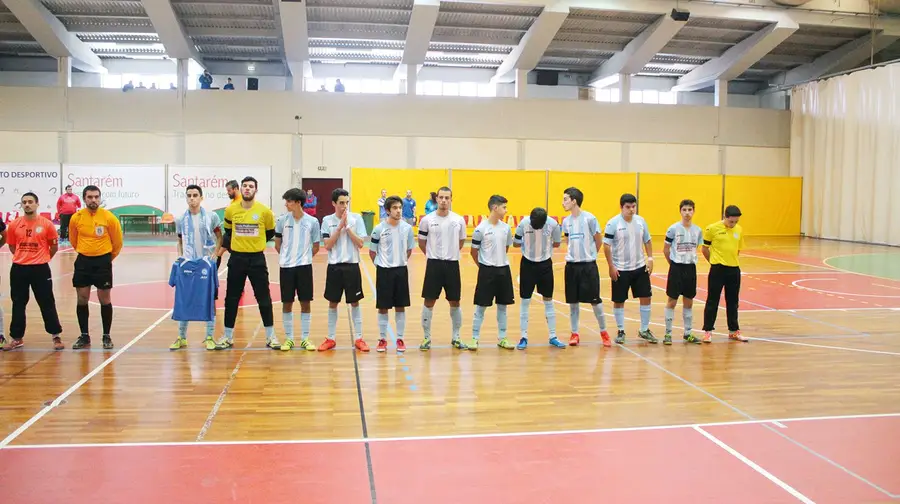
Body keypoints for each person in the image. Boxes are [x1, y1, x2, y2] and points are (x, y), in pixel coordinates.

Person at [216, 176, 277, 350]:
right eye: (245, 186)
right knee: (232, 298)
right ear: (240, 189)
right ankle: (228, 336)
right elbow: (228, 231)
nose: (247, 188)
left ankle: (270, 336)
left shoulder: (265, 211)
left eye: (251, 186)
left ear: (256, 190)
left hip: (257, 259)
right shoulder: (231, 210)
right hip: (237, 259)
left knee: (263, 297)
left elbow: (270, 232)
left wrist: (254, 243)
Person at [3, 193, 64, 351]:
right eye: (24, 202)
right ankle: (17, 338)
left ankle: (56, 335)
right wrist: (23, 258)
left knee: (47, 302)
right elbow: (11, 246)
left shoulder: (47, 224)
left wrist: (42, 259)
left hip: (40, 269)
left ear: (37, 204)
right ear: (21, 205)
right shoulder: (15, 224)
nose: (27, 204)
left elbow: (54, 247)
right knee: (18, 303)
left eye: (30, 202)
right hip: (19, 269)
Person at [69, 185, 123, 350]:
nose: (93, 200)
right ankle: (84, 336)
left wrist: (106, 258)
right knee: (82, 298)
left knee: (104, 299)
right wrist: (86, 252)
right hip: (83, 262)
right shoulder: (76, 218)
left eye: (96, 197)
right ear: (84, 198)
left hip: (103, 263)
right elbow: (73, 240)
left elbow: (117, 242)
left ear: (100, 198)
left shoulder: (109, 217)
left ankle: (106, 336)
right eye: (90, 197)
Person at [170, 184, 222, 351]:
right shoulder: (180, 219)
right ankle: (181, 337)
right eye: (189, 195)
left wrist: (216, 254)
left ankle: (209, 337)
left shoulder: (211, 217)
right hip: (187, 262)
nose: (192, 198)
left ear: (201, 197)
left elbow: (220, 236)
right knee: (185, 299)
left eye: (195, 195)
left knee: (209, 299)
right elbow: (179, 239)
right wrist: (180, 255)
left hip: (206, 263)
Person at [318, 188, 369, 352]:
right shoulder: (327, 220)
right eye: (341, 203)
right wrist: (339, 227)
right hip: (334, 267)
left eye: (347, 202)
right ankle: (331, 338)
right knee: (333, 303)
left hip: (352, 266)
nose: (344, 206)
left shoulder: (357, 219)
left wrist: (348, 228)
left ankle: (359, 338)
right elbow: (327, 245)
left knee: (355, 302)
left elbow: (361, 243)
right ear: (334, 203)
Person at [418, 186, 467, 350]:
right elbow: (421, 242)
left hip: (452, 264)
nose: (444, 201)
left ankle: (456, 337)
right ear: (436, 199)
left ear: (451, 199)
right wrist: (432, 255)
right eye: (441, 197)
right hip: (434, 264)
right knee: (429, 301)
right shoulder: (427, 220)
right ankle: (426, 338)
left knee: (455, 301)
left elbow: (460, 242)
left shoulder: (459, 220)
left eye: (447, 198)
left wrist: (450, 253)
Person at [603, 193, 656, 344]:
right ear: (621, 207)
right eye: (628, 207)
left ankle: (644, 330)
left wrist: (650, 259)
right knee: (619, 300)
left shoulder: (641, 221)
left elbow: (648, 240)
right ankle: (621, 331)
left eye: (633, 207)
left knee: (646, 297)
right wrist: (611, 266)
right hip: (620, 269)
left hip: (640, 267)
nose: (631, 210)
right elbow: (606, 246)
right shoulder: (613, 223)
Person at [560, 187, 611, 347]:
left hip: (588, 266)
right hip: (572, 267)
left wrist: (590, 255)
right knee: (573, 302)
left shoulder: (590, 218)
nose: (563, 203)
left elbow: (598, 240)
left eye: (565, 199)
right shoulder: (566, 221)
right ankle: (574, 333)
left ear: (574, 201)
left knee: (595, 301)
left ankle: (604, 332)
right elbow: (568, 241)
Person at [274, 188, 320, 352]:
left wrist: (303, 258)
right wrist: (288, 257)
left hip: (304, 268)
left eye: (289, 201)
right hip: (286, 268)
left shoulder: (312, 222)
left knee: (305, 302)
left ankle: (305, 339)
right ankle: (289, 339)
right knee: (287, 303)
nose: (286, 204)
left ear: (298, 202)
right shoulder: (282, 220)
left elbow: (316, 246)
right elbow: (277, 244)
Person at [513, 206, 564, 350]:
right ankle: (524, 336)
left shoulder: (553, 225)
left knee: (548, 300)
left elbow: (557, 243)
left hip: (545, 266)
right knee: (525, 301)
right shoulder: (523, 223)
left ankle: (553, 336)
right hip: (527, 265)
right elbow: (516, 243)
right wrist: (529, 245)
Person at [469, 195, 515, 351]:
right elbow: (473, 251)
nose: (506, 210)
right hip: (486, 271)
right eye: (504, 207)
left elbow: (506, 248)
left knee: (503, 306)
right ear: (495, 208)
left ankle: (502, 338)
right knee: (480, 306)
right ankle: (475, 338)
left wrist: (499, 261)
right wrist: (483, 266)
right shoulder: (480, 229)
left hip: (503, 270)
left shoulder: (506, 228)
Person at [369, 195, 415, 353]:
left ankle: (400, 338)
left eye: (400, 207)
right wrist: (381, 266)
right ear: (387, 210)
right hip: (384, 271)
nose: (398, 211)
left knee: (400, 306)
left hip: (401, 271)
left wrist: (399, 262)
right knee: (383, 307)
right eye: (395, 208)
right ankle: (382, 339)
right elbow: (372, 252)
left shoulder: (407, 229)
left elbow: (409, 250)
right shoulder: (378, 229)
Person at [702, 205, 748, 343]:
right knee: (712, 300)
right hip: (717, 269)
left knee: (733, 301)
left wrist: (731, 261)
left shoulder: (739, 230)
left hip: (734, 270)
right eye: (731, 222)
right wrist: (714, 262)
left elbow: (737, 249)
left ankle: (733, 331)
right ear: (725, 217)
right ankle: (708, 331)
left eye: (736, 222)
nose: (733, 224)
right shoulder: (712, 229)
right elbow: (705, 249)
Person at [663, 199, 704, 345]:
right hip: (676, 267)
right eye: (684, 210)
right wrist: (673, 264)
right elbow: (666, 249)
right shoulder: (673, 229)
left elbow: (697, 247)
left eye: (690, 210)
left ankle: (688, 333)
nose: (687, 213)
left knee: (688, 301)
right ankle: (668, 334)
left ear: (694, 211)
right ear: (680, 211)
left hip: (690, 268)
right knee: (672, 301)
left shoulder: (698, 230)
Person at [216, 180, 241, 270]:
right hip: (229, 233)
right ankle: (213, 274)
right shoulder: (233, 202)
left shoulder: (241, 202)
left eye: (229, 190)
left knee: (235, 256)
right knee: (219, 252)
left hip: (237, 234)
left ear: (236, 189)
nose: (228, 193)